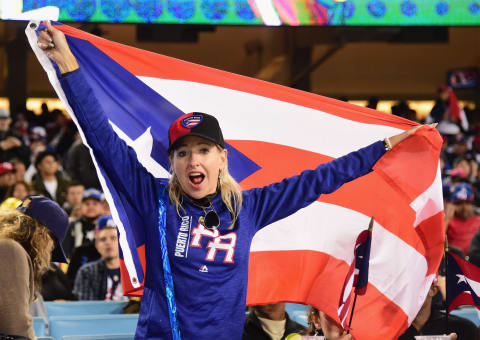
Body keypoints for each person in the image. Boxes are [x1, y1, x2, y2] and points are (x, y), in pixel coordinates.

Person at [38, 23, 433, 340]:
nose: (193, 159)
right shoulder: (152, 197)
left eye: (204, 150)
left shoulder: (250, 207)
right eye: (183, 152)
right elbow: (102, 139)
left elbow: (320, 179)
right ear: (172, 163)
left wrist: (382, 146)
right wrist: (69, 67)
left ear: (222, 158)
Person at [0, 196, 69, 339]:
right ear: (42, 232)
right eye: (54, 245)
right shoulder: (11, 250)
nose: (50, 252)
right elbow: (16, 324)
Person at [397, 280, 477, 340]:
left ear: (433, 290)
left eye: (413, 286)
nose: (406, 293)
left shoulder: (463, 328)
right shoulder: (387, 330)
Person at [74, 215, 126, 301]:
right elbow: (86, 309)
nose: (108, 243)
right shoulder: (86, 272)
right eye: (103, 239)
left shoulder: (136, 271)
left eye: (113, 238)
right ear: (96, 245)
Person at [445, 183, 480, 255]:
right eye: (459, 203)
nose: (464, 207)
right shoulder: (449, 221)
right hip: (454, 261)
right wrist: (447, 217)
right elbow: (439, 241)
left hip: (474, 262)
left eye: (467, 203)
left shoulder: (478, 220)